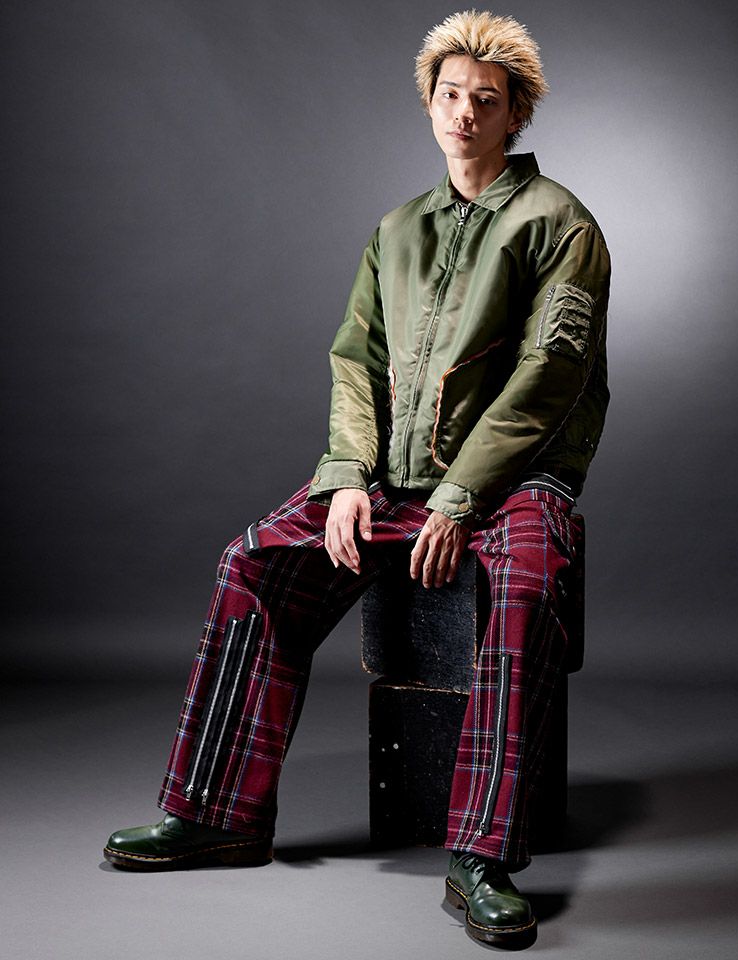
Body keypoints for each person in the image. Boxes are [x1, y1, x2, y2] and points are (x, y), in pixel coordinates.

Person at [103, 9, 611, 950]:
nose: (463, 114)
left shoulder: (559, 224)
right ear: (429, 104)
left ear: (517, 115)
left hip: (516, 480)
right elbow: (355, 360)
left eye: (485, 100)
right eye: (449, 95)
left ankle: (481, 857)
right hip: (391, 478)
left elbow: (551, 376)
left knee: (524, 588)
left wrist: (460, 497)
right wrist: (345, 477)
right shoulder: (397, 229)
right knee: (252, 565)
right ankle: (216, 815)